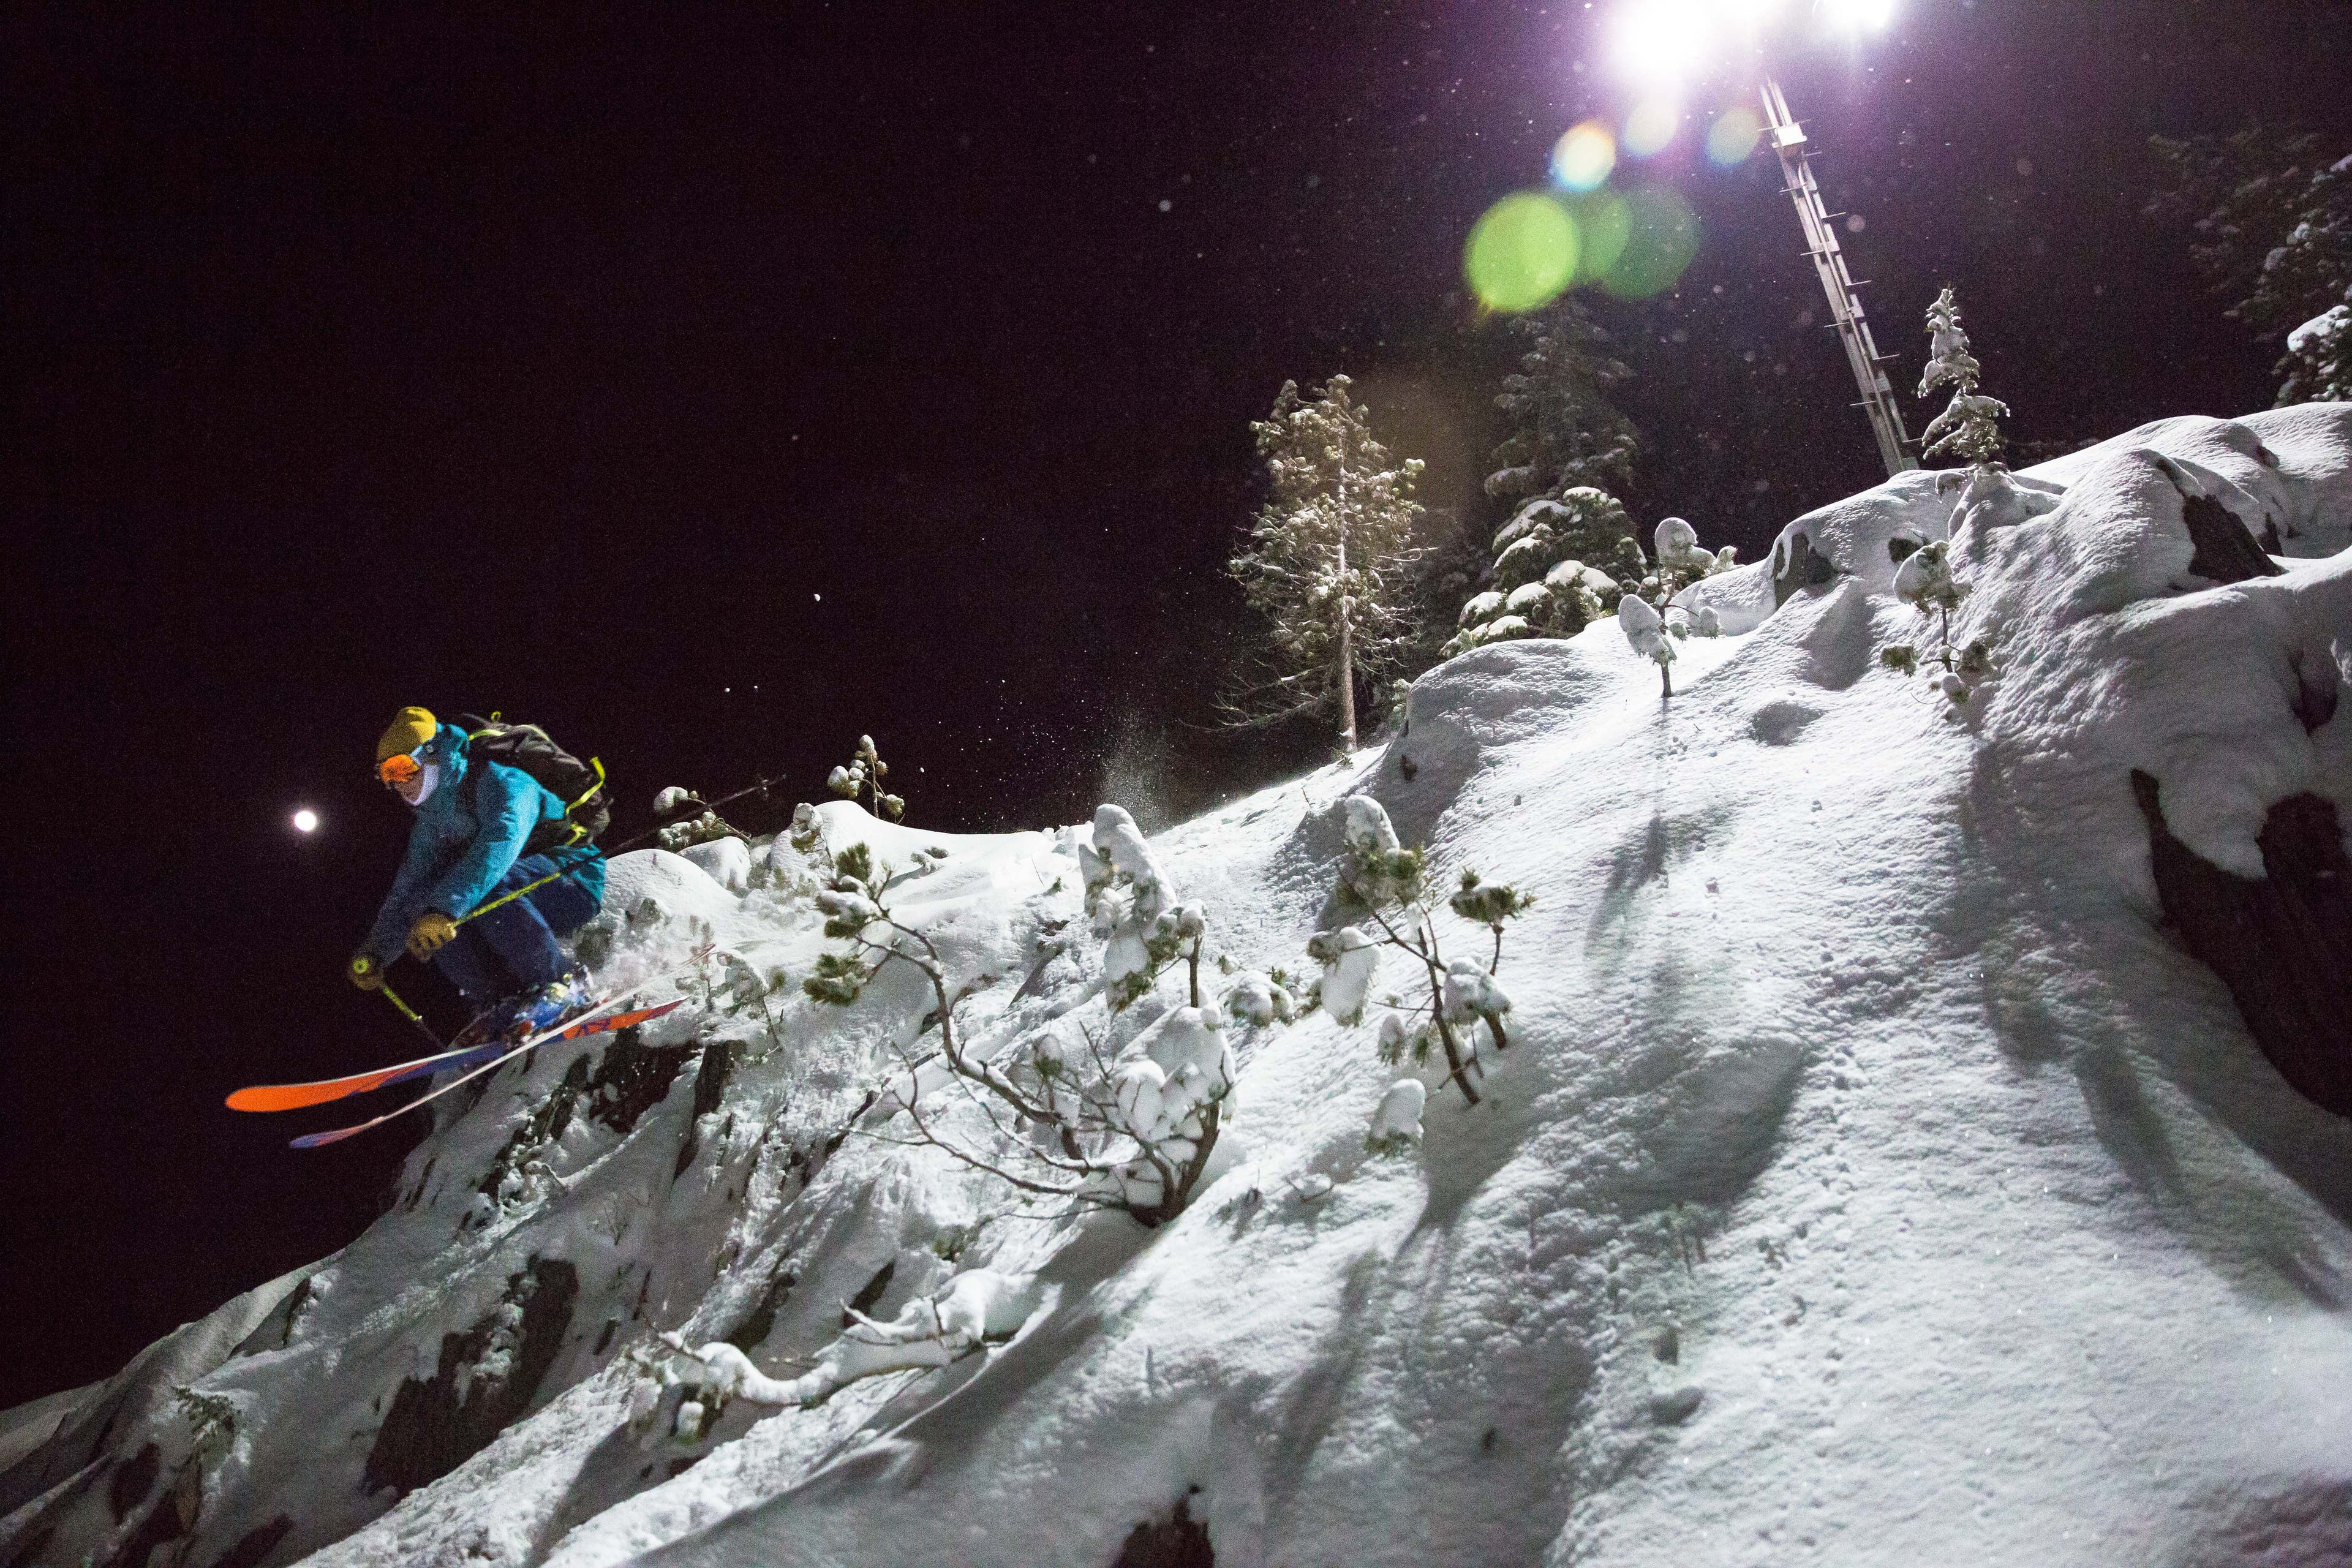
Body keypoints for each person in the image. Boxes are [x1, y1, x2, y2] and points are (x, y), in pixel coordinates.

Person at [349, 706, 606, 1039]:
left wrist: (444, 910)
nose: (397, 783)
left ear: (433, 755)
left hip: (572, 877)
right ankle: (501, 1002)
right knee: (427, 920)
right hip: (520, 898)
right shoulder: (432, 822)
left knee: (463, 899)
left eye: (402, 767)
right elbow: (410, 888)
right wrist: (377, 953)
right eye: (387, 775)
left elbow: (499, 845)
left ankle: (562, 983)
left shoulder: (503, 781)